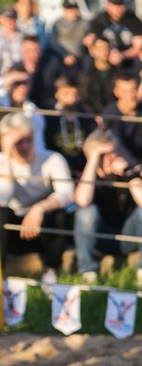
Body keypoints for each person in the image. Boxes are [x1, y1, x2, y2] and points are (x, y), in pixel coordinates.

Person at [73, 130, 142, 287]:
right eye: (103, 154)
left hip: (128, 236)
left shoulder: (127, 173)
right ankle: (88, 274)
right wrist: (94, 159)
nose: (109, 158)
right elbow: (82, 201)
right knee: (86, 212)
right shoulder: (87, 175)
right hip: (99, 238)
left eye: (112, 153)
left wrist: (128, 173)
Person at [0, 112, 73, 283]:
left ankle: (50, 272)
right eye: (18, 142)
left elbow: (68, 192)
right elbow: (3, 197)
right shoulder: (2, 161)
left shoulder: (51, 158)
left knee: (59, 214)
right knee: (1, 213)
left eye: (28, 140)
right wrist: (7, 156)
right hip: (11, 230)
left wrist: (40, 208)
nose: (25, 146)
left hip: (42, 230)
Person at [84, 0, 142, 67]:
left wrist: (122, 55)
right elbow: (90, 43)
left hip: (129, 60)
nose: (118, 10)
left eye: (121, 6)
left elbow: (139, 45)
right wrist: (106, 55)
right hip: (105, 60)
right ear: (107, 5)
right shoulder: (98, 20)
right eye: (115, 6)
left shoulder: (133, 20)